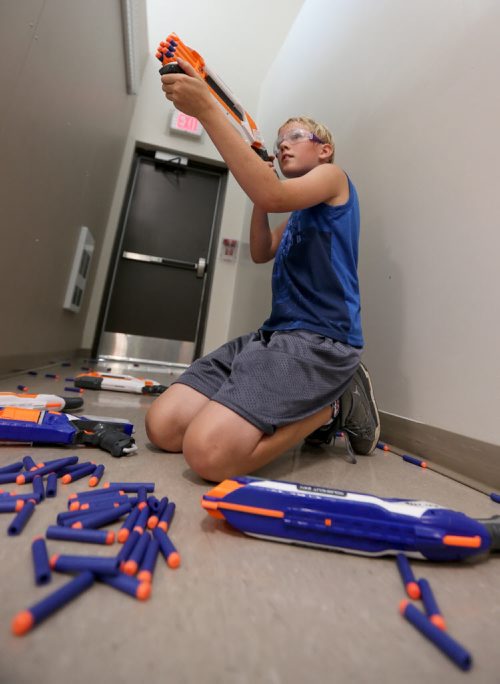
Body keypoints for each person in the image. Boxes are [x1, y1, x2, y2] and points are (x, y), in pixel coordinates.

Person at [145, 58, 380, 481]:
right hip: (273, 338)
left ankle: (332, 406)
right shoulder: (298, 209)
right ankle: (295, 402)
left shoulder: (332, 178)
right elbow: (260, 250)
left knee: (207, 456)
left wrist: (207, 109)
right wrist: (262, 189)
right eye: (279, 139)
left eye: (294, 136)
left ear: (323, 149)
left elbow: (272, 195)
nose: (282, 144)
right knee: (162, 428)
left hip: (321, 343)